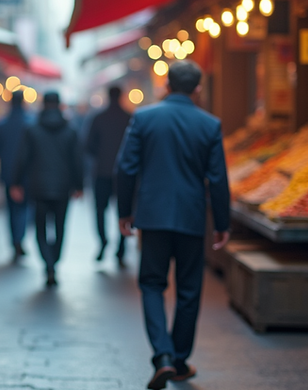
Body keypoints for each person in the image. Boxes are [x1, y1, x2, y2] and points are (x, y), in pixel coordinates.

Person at [115, 60, 230, 389]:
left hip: (152, 215)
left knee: (152, 284)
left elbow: (125, 168)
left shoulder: (144, 118)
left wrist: (125, 211)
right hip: (191, 215)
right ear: (197, 89)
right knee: (189, 289)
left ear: (166, 85)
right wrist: (222, 221)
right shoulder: (209, 124)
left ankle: (162, 356)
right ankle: (179, 359)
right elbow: (218, 178)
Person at [11, 91, 84, 287]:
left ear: (43, 104)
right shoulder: (70, 130)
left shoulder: (32, 129)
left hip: (39, 187)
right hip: (63, 188)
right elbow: (77, 160)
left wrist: (16, 183)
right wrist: (79, 185)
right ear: (60, 105)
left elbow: (22, 158)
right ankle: (55, 262)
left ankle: (48, 263)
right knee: (60, 227)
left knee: (41, 228)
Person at [86, 86, 132, 264]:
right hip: (123, 173)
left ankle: (103, 241)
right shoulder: (129, 118)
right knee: (123, 211)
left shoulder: (98, 118)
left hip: (102, 171)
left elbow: (88, 145)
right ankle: (121, 248)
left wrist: (101, 156)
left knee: (100, 210)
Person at [0, 90, 32, 260]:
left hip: (7, 172)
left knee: (11, 208)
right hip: (27, 174)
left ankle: (14, 240)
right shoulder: (31, 123)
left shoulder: (2, 124)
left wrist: (5, 153)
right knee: (24, 207)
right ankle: (19, 238)